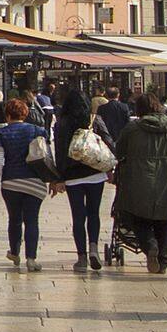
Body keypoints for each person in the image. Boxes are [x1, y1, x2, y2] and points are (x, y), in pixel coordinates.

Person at [110, 96, 167, 273]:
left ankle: (150, 245)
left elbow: (119, 151)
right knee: (166, 221)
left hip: (139, 179)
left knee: (138, 218)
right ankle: (163, 261)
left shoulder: (133, 129)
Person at [0, 97, 53, 271]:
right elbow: (47, 155)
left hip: (11, 182)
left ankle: (15, 252)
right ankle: (31, 259)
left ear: (7, 115)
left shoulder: (1, 134)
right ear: (25, 114)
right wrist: (54, 179)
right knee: (32, 221)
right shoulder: (38, 131)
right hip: (35, 182)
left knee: (14, 219)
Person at [53, 86, 108, 271]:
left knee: (78, 216)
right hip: (95, 173)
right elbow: (109, 141)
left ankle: (81, 257)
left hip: (72, 176)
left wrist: (58, 177)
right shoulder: (95, 120)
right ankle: (94, 248)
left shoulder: (61, 123)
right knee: (94, 213)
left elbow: (59, 151)